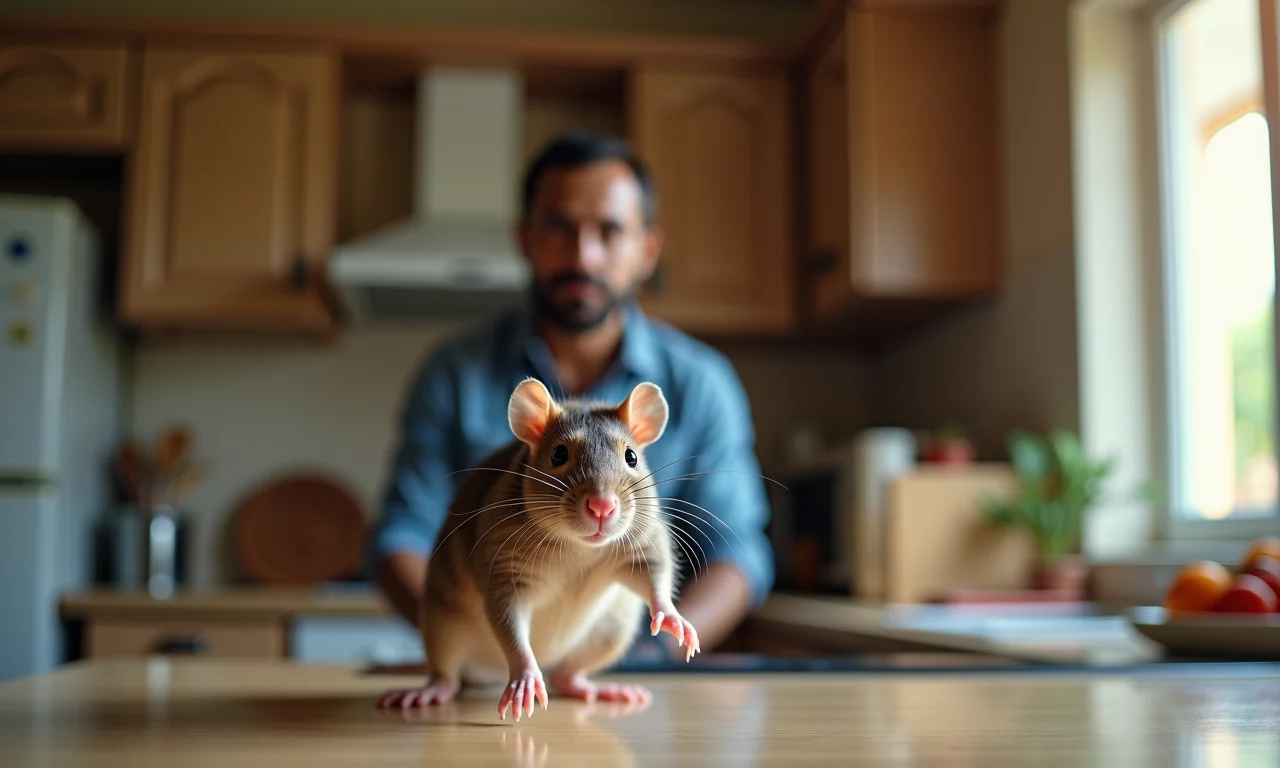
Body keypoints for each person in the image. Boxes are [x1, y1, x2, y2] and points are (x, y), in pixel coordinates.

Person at [367, 129, 775, 661]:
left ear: (647, 250)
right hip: (492, 664)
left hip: (621, 666)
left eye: (609, 232)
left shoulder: (702, 381)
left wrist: (649, 654)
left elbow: (739, 550)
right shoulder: (452, 372)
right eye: (559, 228)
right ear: (526, 241)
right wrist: (476, 638)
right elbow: (404, 533)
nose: (583, 255)